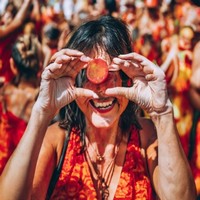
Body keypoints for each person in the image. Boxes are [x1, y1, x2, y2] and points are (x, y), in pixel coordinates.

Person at [0, 15, 196, 200]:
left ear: (127, 79)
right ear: (74, 81)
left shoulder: (146, 137)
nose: (102, 88)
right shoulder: (56, 141)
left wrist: (162, 113)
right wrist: (41, 112)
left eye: (112, 73)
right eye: (88, 75)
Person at [0, 33, 41, 174]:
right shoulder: (42, 101)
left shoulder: (4, 92)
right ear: (39, 65)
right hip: (26, 174)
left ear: (12, 64)